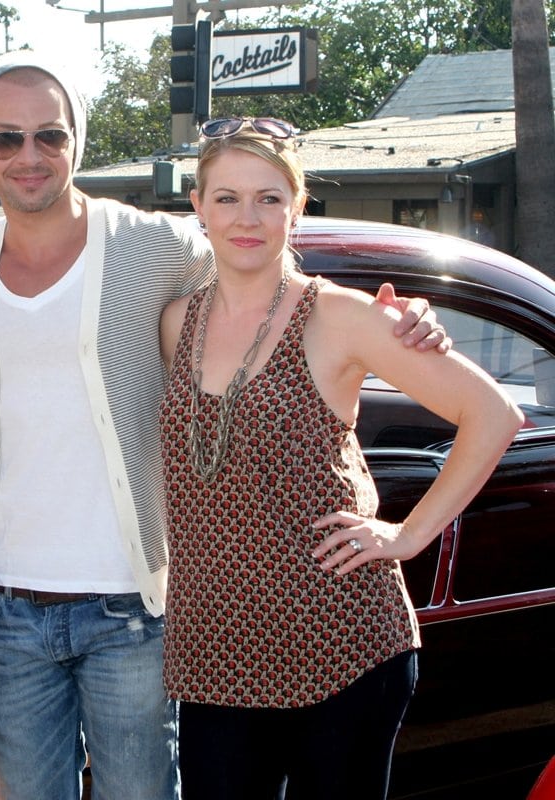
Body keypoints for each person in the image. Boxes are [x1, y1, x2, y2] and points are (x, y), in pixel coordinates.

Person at [0, 51, 452, 800]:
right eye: (5, 138)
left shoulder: (155, 245)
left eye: (49, 135)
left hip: (138, 612)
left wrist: (406, 325)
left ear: (77, 140)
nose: (29, 155)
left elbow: (268, 285)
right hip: (4, 611)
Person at [158, 118, 523, 800]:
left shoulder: (345, 316)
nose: (248, 218)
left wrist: (408, 535)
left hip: (342, 645)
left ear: (297, 208)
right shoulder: (177, 321)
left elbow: (494, 414)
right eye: (228, 197)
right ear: (198, 207)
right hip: (213, 653)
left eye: (269, 198)